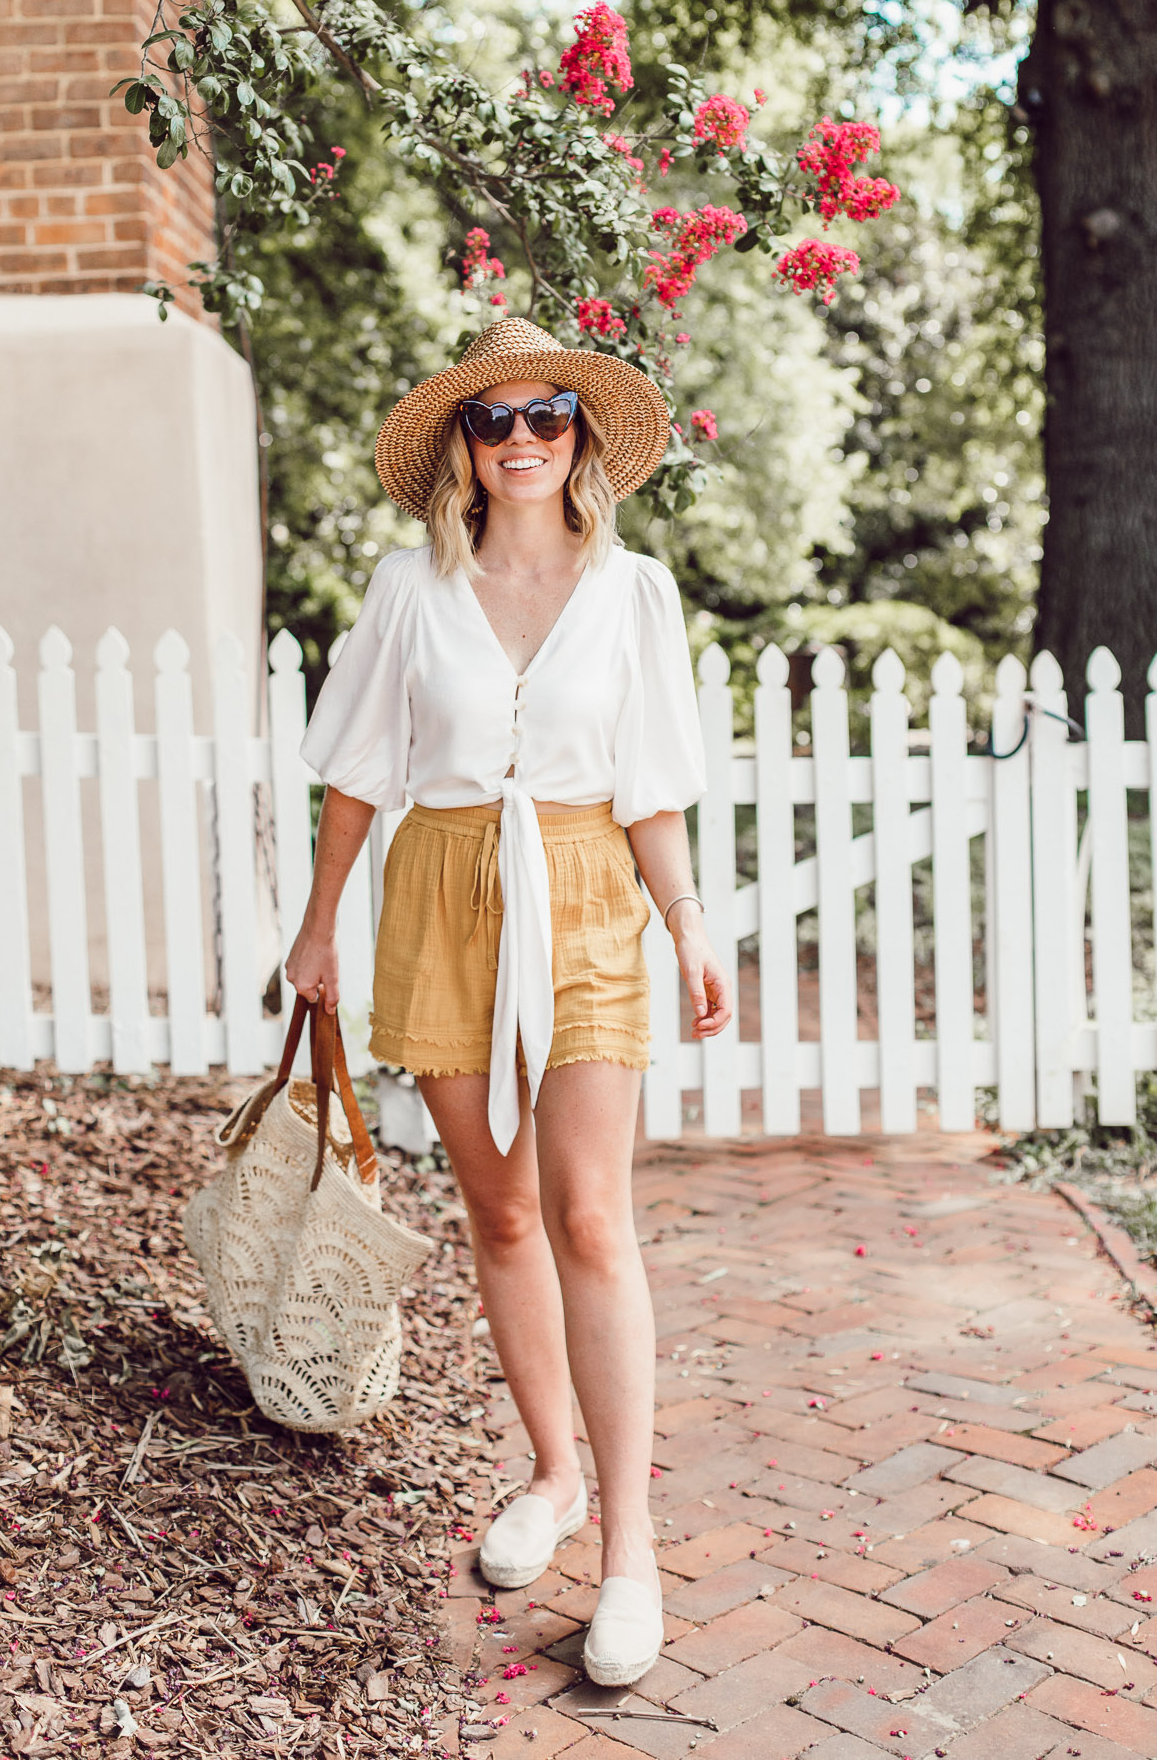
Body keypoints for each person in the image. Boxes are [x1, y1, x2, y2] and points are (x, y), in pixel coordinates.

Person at [285, 315, 733, 1687]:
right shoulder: (407, 588)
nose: (527, 437)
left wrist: (689, 918)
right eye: (498, 421)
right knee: (498, 1207)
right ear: (463, 452)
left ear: (581, 436)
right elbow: (358, 768)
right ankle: (551, 1473)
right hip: (437, 887)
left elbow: (650, 780)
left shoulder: (633, 588)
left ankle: (632, 1547)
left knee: (592, 1211)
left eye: (550, 415)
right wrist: (318, 926)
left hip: (591, 888)